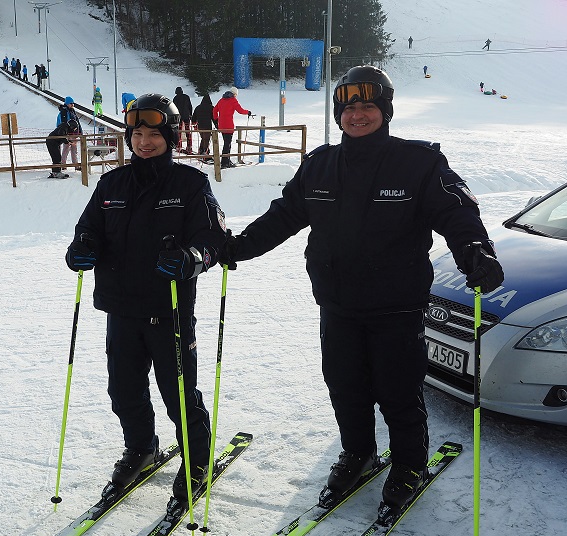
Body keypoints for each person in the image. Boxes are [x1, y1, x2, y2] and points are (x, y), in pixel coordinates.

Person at [217, 65, 504, 513]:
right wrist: (239, 247)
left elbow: (457, 214)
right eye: (348, 107)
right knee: (345, 386)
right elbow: (284, 216)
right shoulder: (321, 165)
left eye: (368, 105)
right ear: (338, 114)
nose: (357, 115)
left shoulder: (420, 163)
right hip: (338, 302)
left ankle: (409, 464)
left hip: (396, 305)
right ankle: (359, 452)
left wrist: (475, 252)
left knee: (398, 389)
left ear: (385, 111)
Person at [64, 93, 227, 500]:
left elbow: (213, 239)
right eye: (137, 133)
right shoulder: (111, 183)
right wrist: (81, 248)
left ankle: (197, 459)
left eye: (154, 133)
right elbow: (89, 230)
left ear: (170, 137)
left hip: (168, 310)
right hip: (120, 309)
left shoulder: (190, 183)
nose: (145, 141)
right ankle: (141, 448)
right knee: (123, 389)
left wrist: (192, 258)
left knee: (178, 392)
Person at [212, 86, 251, 168]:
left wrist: (216, 119)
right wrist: (248, 112)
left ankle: (226, 160)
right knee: (227, 144)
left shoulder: (221, 100)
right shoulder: (233, 100)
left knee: (226, 143)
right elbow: (240, 110)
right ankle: (224, 163)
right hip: (229, 125)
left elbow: (215, 110)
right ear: (235, 94)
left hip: (221, 125)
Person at [57, 96, 83, 170]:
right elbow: (63, 123)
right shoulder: (64, 112)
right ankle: (63, 164)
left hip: (74, 134)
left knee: (74, 150)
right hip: (68, 134)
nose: (72, 105)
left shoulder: (72, 111)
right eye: (71, 103)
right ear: (67, 103)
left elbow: (77, 122)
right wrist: (64, 133)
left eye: (73, 103)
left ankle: (76, 165)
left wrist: (80, 132)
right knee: (66, 148)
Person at [192, 94, 217, 161]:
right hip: (207, 126)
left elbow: (194, 117)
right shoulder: (211, 107)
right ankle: (205, 153)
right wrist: (217, 126)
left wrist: (194, 123)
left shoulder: (198, 107)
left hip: (200, 126)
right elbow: (214, 118)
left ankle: (201, 151)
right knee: (206, 139)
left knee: (203, 138)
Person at [173, 86, 193, 154]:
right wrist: (190, 114)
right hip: (186, 116)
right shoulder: (186, 97)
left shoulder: (175, 98)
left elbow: (174, 109)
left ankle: (179, 146)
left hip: (179, 117)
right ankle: (189, 146)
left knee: (179, 132)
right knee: (188, 131)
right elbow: (190, 106)